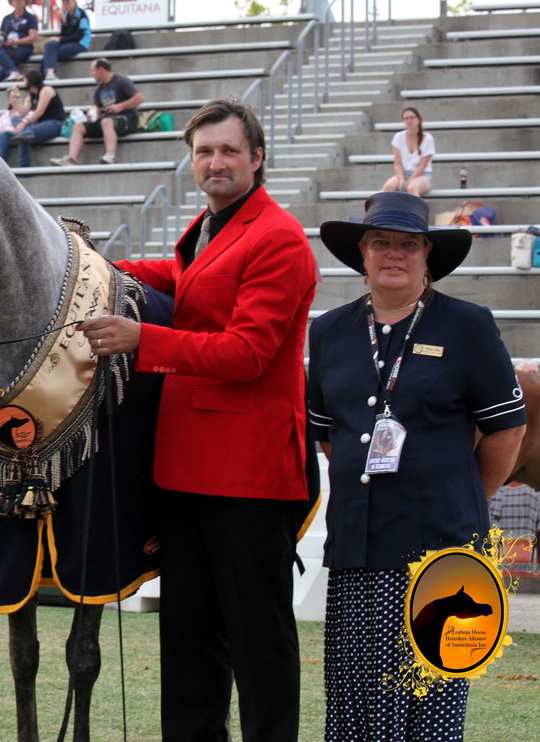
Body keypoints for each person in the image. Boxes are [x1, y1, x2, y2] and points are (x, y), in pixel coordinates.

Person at [78, 97, 316, 741]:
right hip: (185, 469)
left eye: (229, 150)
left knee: (258, 645)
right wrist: (94, 264)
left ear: (257, 159)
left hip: (248, 475)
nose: (215, 162)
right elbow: (183, 278)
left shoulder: (279, 238)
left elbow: (248, 353)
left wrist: (142, 338)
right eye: (204, 151)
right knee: (188, 642)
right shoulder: (211, 226)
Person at [309, 191, 526, 741]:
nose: (394, 254)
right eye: (382, 241)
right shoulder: (329, 331)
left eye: (409, 243)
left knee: (430, 712)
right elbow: (329, 436)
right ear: (362, 251)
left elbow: (508, 429)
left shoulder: (468, 326)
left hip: (445, 557)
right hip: (359, 551)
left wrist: (467, 497)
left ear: (428, 254)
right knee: (357, 709)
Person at [49, 58, 144, 166]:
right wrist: (92, 116)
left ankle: (110, 156)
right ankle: (71, 159)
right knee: (78, 127)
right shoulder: (99, 89)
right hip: (108, 122)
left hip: (127, 119)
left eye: (93, 70)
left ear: (101, 69)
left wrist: (120, 106)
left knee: (106, 122)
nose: (92, 74)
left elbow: (139, 98)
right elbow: (97, 109)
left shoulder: (121, 81)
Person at [0, 69, 65, 168]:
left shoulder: (46, 90)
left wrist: (24, 123)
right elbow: (22, 112)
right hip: (36, 126)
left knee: (25, 135)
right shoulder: (30, 97)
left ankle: (24, 170)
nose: (24, 83)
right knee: (15, 128)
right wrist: (17, 96)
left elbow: (40, 111)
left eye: (25, 80)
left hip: (54, 123)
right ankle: (5, 167)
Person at [0, 0, 38, 84]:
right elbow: (2, 35)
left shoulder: (30, 18)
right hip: (9, 48)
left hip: (24, 47)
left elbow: (33, 37)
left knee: (8, 60)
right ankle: (12, 72)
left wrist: (16, 42)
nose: (18, 2)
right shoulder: (6, 19)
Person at [381, 106, 434, 197]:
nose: (409, 120)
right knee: (388, 187)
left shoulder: (427, 138)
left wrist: (409, 181)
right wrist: (401, 179)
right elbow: (397, 163)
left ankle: (414, 211)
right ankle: (381, 210)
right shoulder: (398, 137)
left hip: (422, 175)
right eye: (406, 118)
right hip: (404, 173)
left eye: (412, 117)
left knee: (412, 188)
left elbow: (422, 166)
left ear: (418, 120)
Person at [40, 0, 91, 81]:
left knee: (50, 54)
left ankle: (47, 75)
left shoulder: (81, 14)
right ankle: (48, 74)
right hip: (68, 43)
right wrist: (64, 22)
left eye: (68, 2)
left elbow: (79, 35)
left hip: (81, 44)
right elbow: (64, 34)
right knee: (50, 45)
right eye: (63, 2)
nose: (65, 4)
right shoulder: (65, 15)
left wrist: (60, 39)